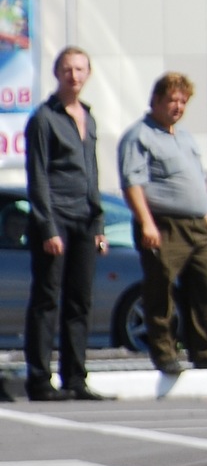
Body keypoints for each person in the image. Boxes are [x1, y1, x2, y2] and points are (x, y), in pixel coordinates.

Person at [119, 71, 207, 375]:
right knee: (161, 289)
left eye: (183, 101)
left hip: (198, 228)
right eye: (172, 100)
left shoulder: (184, 137)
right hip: (163, 225)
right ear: (156, 100)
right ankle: (164, 353)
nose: (178, 106)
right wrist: (146, 224)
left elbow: (198, 179)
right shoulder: (140, 136)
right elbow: (132, 183)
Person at [23, 47, 111, 401]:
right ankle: (39, 380)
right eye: (67, 69)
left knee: (80, 302)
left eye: (80, 69)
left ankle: (75, 378)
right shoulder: (44, 118)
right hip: (56, 217)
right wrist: (47, 227)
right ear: (57, 73)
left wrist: (100, 223)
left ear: (88, 73)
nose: (73, 76)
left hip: (86, 220)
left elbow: (92, 174)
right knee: (47, 301)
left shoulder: (88, 117)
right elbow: (38, 176)